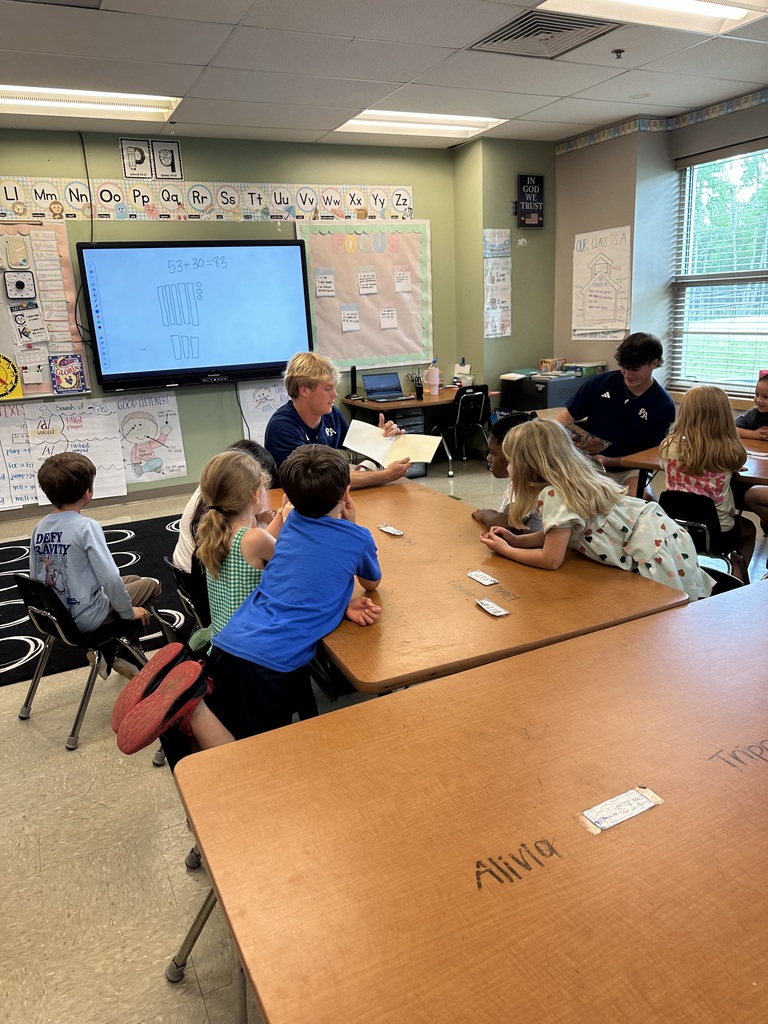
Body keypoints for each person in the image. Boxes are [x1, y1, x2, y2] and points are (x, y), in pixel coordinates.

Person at [114, 445, 382, 754]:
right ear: (347, 491)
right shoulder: (357, 537)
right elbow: (371, 582)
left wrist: (339, 603)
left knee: (227, 717)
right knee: (247, 750)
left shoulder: (290, 523)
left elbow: (300, 574)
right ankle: (191, 706)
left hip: (231, 639)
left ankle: (179, 693)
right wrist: (352, 524)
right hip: (268, 662)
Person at [478, 418, 713, 601]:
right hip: (661, 535)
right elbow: (559, 531)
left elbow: (550, 559)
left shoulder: (553, 494)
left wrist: (505, 550)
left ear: (527, 465)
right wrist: (517, 541)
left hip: (648, 549)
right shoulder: (572, 481)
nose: (509, 468)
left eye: (511, 461)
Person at [29, 453, 161, 679]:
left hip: (56, 616)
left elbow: (35, 578)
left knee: (133, 580)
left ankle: (115, 651)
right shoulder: (85, 527)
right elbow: (109, 578)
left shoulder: (39, 528)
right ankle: (113, 650)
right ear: (87, 492)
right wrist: (128, 613)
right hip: (87, 617)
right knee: (151, 586)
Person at [264, 351, 411, 487]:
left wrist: (379, 437)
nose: (335, 394)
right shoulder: (282, 428)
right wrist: (385, 476)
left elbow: (354, 445)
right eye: (327, 389)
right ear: (304, 390)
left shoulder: (331, 413)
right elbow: (318, 481)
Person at [555, 333, 675, 495]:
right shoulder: (600, 383)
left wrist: (612, 461)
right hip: (588, 463)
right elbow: (566, 417)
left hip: (629, 468)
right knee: (566, 494)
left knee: (642, 499)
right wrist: (549, 436)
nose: (627, 374)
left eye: (635, 369)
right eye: (624, 367)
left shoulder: (663, 404)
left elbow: (653, 455)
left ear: (654, 363)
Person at [193, 448, 287, 648]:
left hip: (223, 649)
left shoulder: (217, 533)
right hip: (251, 652)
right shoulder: (254, 539)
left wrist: (280, 516)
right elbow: (297, 565)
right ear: (256, 495)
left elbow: (260, 541)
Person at [659, 385, 755, 582]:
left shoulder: (669, 445)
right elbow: (737, 464)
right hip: (717, 534)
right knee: (749, 529)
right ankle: (737, 576)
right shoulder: (729, 452)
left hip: (675, 530)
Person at [172, 439, 278, 574]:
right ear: (254, 494)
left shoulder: (215, 496)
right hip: (195, 578)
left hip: (188, 573)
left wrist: (263, 520)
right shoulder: (250, 536)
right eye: (264, 486)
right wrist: (277, 518)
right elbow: (286, 559)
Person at [472, 411, 540, 531]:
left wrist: (484, 514)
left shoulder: (531, 483)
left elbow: (507, 524)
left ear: (513, 454)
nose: (488, 458)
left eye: (493, 453)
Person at [734, 375, 768, 535]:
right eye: (756, 394)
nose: (759, 400)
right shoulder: (754, 415)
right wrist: (753, 434)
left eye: (766, 397)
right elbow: (732, 428)